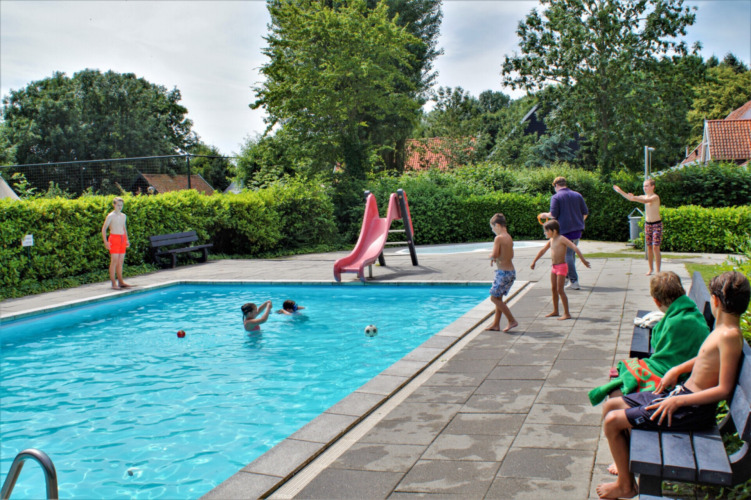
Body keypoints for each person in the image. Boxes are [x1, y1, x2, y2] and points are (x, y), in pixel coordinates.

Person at [595, 271, 750, 500]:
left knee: (612, 421)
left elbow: (724, 390)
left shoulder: (728, 335)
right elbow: (706, 358)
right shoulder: (724, 330)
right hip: (682, 398)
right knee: (612, 406)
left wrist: (677, 399)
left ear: (715, 301)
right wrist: (677, 370)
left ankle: (626, 486)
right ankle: (626, 468)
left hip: (689, 410)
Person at [588, 271, 710, 406]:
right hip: (687, 372)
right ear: (683, 291)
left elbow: (661, 351)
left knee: (616, 395)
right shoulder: (689, 312)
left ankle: (628, 421)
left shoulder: (675, 322)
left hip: (678, 377)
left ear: (656, 301)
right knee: (617, 391)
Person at [530, 220, 591, 320]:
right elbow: (542, 251)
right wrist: (534, 261)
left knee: (560, 290)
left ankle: (567, 313)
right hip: (554, 267)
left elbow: (574, 247)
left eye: (546, 231)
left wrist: (583, 260)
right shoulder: (551, 240)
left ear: (553, 231)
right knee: (553, 289)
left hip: (562, 267)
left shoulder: (561, 239)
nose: (545, 233)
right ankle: (555, 310)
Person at [538, 176, 589, 290]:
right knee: (571, 254)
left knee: (566, 256)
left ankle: (574, 281)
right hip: (577, 230)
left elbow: (553, 214)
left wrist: (544, 215)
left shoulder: (556, 197)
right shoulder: (577, 195)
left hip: (564, 231)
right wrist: (579, 222)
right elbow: (585, 212)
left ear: (556, 185)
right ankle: (566, 277)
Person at [614, 178, 662, 275]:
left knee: (655, 247)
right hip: (648, 224)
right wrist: (620, 191)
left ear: (653, 186)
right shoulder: (643, 196)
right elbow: (630, 198)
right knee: (648, 246)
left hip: (656, 224)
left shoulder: (655, 197)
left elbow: (645, 201)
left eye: (647, 186)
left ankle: (658, 271)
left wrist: (634, 198)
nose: (645, 188)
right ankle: (650, 269)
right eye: (644, 186)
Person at [486, 213, 518, 332]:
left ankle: (511, 320)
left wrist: (491, 256)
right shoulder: (508, 237)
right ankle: (496, 324)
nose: (493, 230)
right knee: (498, 298)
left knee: (494, 298)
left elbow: (494, 254)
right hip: (511, 272)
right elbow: (511, 255)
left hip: (503, 273)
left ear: (497, 225)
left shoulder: (498, 238)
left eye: (492, 227)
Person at [101, 197, 131, 290]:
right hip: (114, 238)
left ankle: (121, 281)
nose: (120, 207)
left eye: (121, 205)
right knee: (114, 261)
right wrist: (106, 242)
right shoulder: (110, 216)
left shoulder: (123, 216)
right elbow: (104, 229)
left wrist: (127, 240)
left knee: (120, 261)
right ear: (114, 205)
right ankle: (113, 282)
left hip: (122, 238)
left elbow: (124, 228)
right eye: (118, 205)